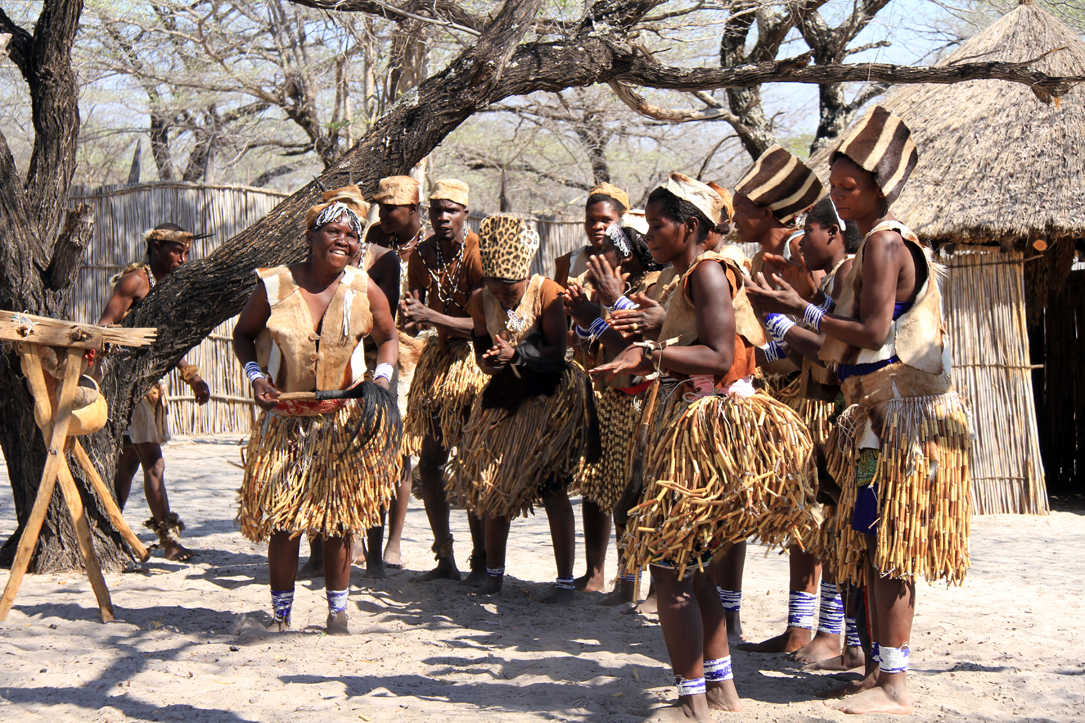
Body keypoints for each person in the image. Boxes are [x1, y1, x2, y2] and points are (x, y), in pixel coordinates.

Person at [747, 106, 972, 714]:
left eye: (852, 188)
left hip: (901, 423)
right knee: (868, 540)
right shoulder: (874, 243)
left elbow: (871, 331)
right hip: (874, 422)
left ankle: (894, 681)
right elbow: (844, 344)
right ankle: (875, 670)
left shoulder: (884, 243)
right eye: (837, 187)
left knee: (890, 547)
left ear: (882, 188)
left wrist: (803, 309)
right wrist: (795, 315)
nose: (841, 199)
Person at [593, 174, 815, 722]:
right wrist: (634, 334)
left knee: (670, 569)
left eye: (659, 223)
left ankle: (692, 701)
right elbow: (684, 342)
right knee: (692, 569)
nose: (650, 232)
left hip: (705, 427)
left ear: (690, 226)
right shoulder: (684, 275)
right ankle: (719, 692)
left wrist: (648, 357)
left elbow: (719, 357)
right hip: (688, 426)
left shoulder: (710, 272)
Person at [233, 185, 401, 635]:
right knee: (286, 521)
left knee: (338, 519)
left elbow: (388, 338)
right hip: (287, 422)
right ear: (311, 236)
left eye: (351, 235)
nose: (343, 241)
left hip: (342, 420)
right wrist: (256, 376)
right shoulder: (275, 284)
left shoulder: (363, 288)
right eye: (333, 231)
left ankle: (338, 612)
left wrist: (381, 378)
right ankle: (281, 615)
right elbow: (243, 335)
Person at [447, 214, 592, 604]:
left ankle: (564, 582)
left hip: (549, 396)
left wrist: (519, 354)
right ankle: (493, 574)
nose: (505, 295)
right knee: (493, 483)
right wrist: (489, 363)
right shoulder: (480, 301)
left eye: (511, 288)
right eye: (496, 288)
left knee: (552, 487)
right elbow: (480, 351)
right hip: (507, 394)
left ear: (523, 276)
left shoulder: (548, 292)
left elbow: (558, 352)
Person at [723, 146, 832, 655]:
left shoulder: (798, 253)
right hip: (784, 395)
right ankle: (799, 628)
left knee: (813, 516)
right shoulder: (756, 257)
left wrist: (762, 352)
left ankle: (815, 630)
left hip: (813, 400)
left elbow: (815, 333)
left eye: (741, 206)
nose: (732, 216)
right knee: (798, 515)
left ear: (767, 211)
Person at [749, 195, 865, 669]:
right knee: (807, 524)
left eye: (807, 237)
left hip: (845, 420)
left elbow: (831, 352)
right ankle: (804, 627)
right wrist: (757, 345)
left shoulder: (850, 275)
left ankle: (842, 636)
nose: (801, 251)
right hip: (813, 415)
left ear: (832, 232)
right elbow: (798, 358)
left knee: (845, 526)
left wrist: (783, 318)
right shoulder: (833, 279)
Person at [97, 223, 211, 562]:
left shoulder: (164, 286)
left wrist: (191, 376)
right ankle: (169, 541)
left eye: (187, 253)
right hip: (127, 383)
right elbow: (104, 327)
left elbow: (163, 344)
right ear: (158, 246)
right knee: (154, 465)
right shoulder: (134, 280)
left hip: (147, 386)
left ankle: (107, 528)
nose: (183, 258)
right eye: (178, 251)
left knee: (128, 462)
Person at [564, 220, 663, 602]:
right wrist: (584, 321)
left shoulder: (653, 289)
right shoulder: (609, 293)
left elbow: (638, 349)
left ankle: (656, 586)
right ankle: (626, 580)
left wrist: (600, 313)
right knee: (620, 494)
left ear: (625, 255)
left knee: (645, 495)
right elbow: (597, 349)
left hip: (646, 405)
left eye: (603, 250)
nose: (594, 256)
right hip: (615, 403)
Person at [399, 179, 489, 583]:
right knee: (431, 461)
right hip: (438, 363)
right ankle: (444, 558)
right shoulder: (421, 254)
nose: (442, 217)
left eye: (451, 210)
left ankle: (483, 559)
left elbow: (483, 324)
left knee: (473, 460)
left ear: (465, 213)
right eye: (436, 210)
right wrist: (409, 317)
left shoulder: (478, 253)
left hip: (476, 365)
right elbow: (412, 313)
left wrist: (432, 317)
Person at [554, 182, 629, 288]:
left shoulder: (631, 263)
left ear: (622, 221)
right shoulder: (568, 263)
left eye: (606, 220)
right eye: (591, 220)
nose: (597, 226)